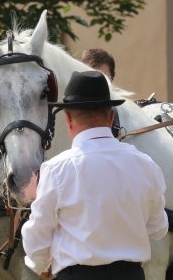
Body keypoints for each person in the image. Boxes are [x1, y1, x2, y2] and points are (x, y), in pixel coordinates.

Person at [21, 70, 168, 280]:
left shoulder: (56, 169)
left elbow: (38, 235)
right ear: (110, 117)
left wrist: (39, 264)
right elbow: (158, 229)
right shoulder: (146, 165)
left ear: (68, 119)